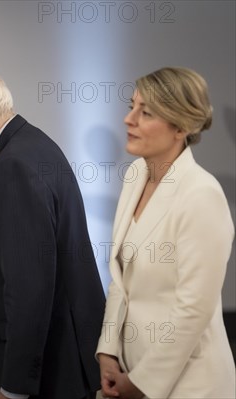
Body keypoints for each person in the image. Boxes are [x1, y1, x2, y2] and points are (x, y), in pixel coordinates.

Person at [0, 67, 105, 399]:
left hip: (44, 378)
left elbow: (30, 290)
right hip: (57, 367)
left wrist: (13, 388)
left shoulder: (14, 167)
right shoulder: (30, 147)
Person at [96, 67, 236, 399]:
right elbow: (122, 280)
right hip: (129, 371)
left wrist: (141, 383)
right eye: (132, 107)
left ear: (181, 126)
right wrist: (107, 351)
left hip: (191, 384)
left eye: (145, 113)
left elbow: (194, 310)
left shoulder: (202, 194)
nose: (129, 120)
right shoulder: (135, 174)